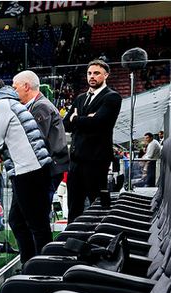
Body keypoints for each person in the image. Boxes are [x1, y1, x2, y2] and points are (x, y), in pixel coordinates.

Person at [0, 76, 53, 264]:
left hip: (28, 171)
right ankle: (29, 265)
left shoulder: (0, 104)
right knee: (18, 221)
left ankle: (47, 269)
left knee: (37, 226)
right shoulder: (10, 101)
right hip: (31, 169)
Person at [63, 59, 122, 221]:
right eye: (89, 73)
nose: (92, 76)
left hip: (96, 160)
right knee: (73, 207)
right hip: (75, 161)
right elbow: (65, 124)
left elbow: (98, 122)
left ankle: (99, 239)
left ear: (106, 75)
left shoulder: (112, 97)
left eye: (96, 73)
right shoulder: (80, 98)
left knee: (99, 207)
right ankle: (71, 241)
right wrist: (84, 120)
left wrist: (77, 120)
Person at [13, 70, 70, 203]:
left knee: (37, 215)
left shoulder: (41, 106)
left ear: (26, 86)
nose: (14, 92)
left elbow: (36, 139)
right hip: (47, 168)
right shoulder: (37, 105)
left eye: (15, 87)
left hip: (47, 170)